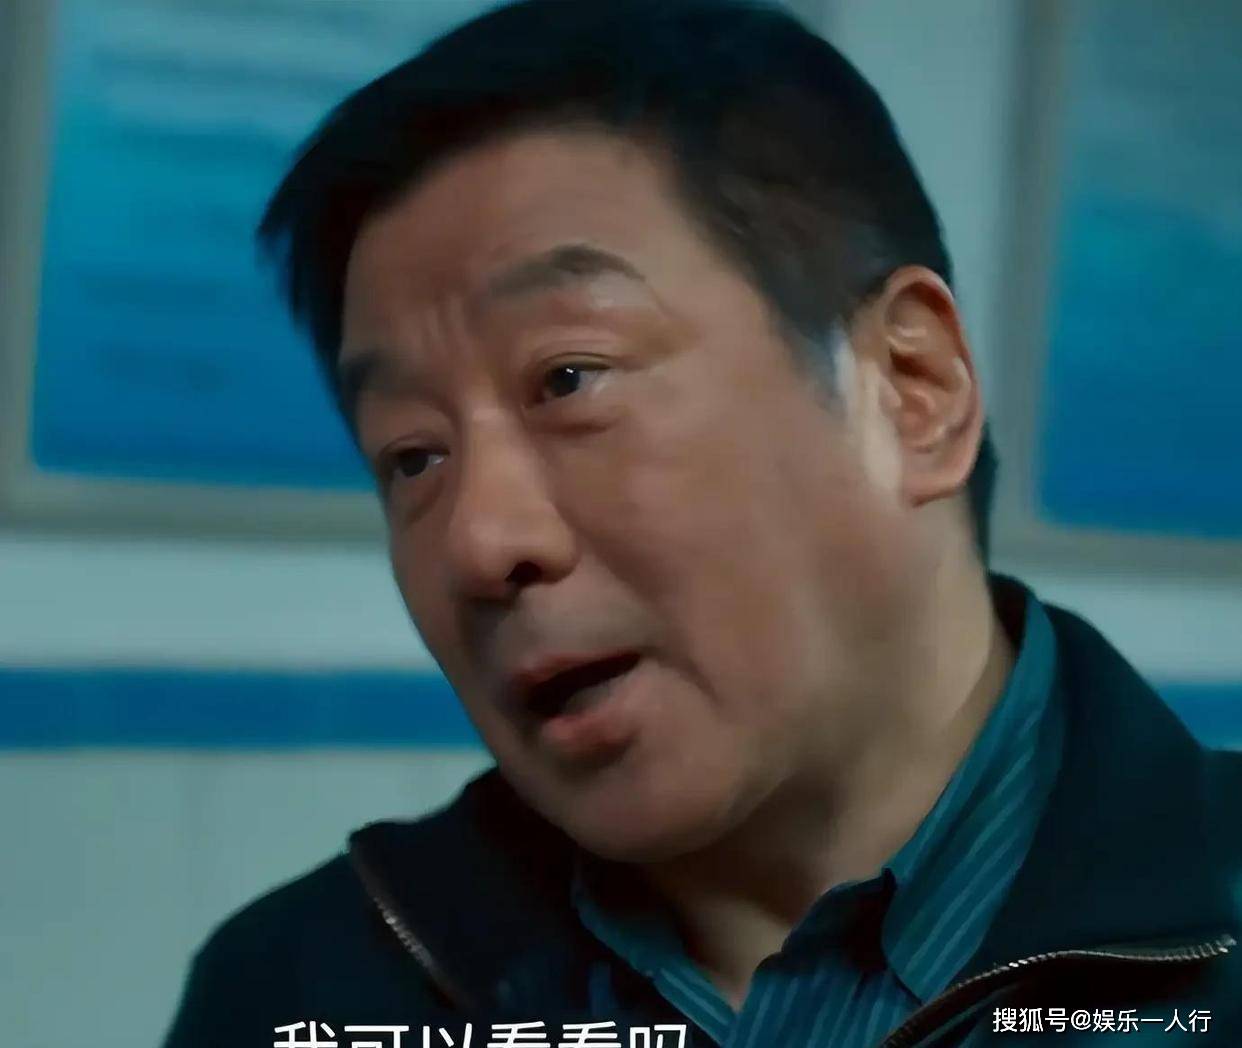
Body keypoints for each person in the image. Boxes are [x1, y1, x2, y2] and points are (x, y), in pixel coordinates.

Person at [162, 2, 1241, 1045]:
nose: (482, 543)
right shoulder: (296, 990)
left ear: (910, 389)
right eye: (413, 456)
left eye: (570, 378)